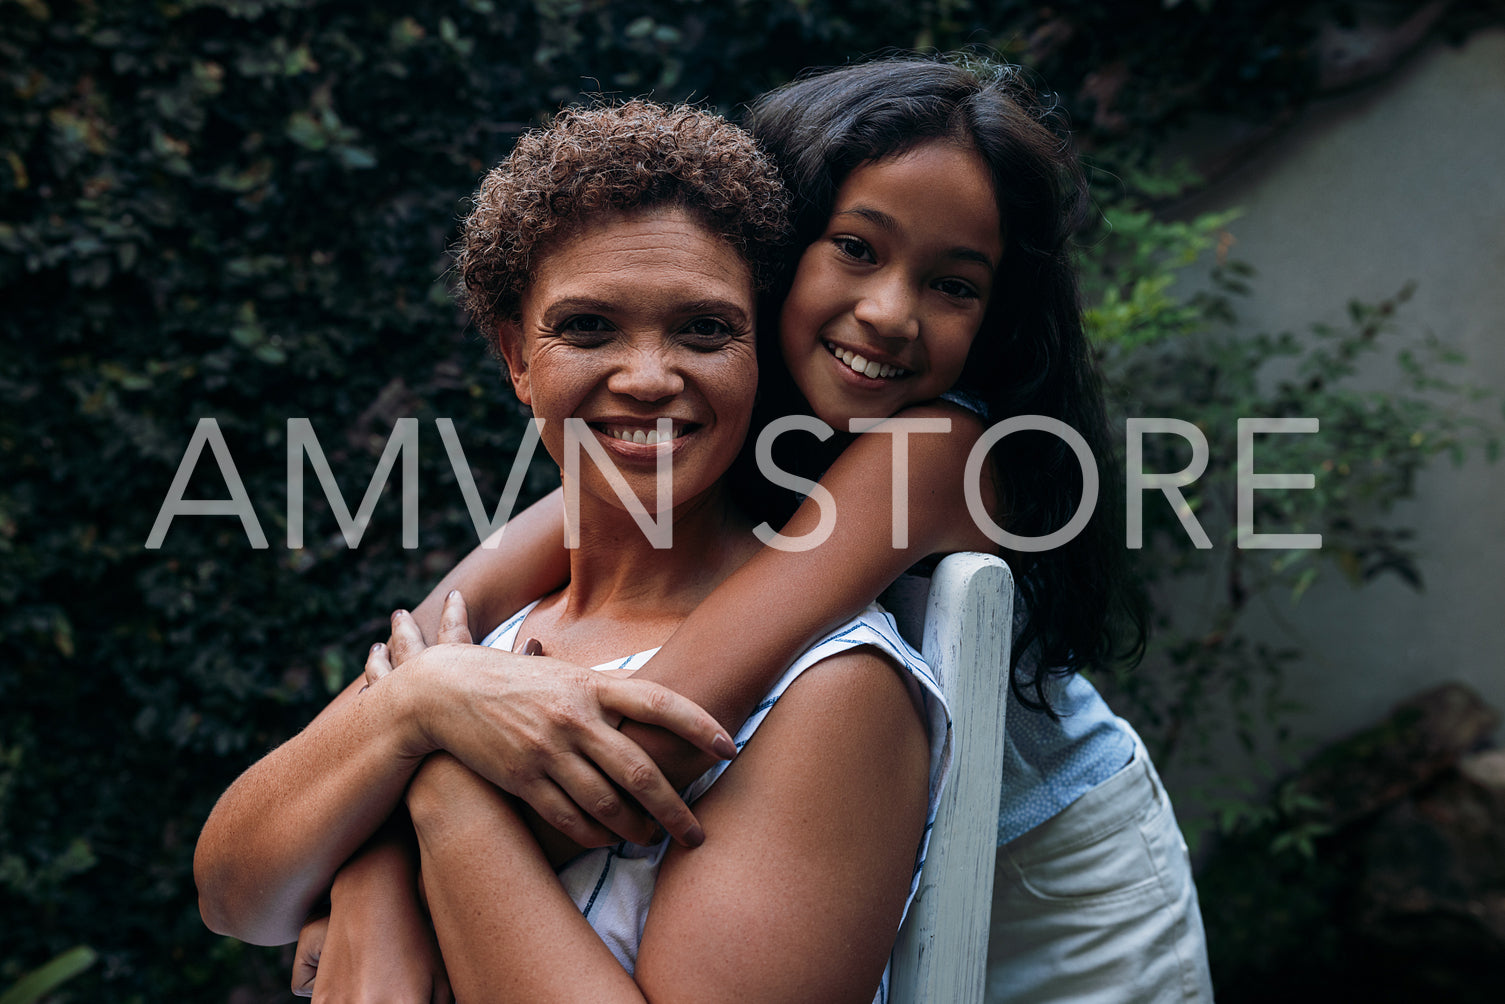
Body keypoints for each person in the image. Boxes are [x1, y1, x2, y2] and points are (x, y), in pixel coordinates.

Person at [330, 55, 1214, 1002]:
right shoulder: (710, 414)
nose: (889, 315)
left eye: (954, 286)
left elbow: (652, 742)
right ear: (775, 244)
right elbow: (410, 659)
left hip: (1061, 898)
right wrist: (396, 748)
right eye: (857, 249)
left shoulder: (938, 448)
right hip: (879, 887)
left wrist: (381, 864)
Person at [194, 99, 950, 1004]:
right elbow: (235, 897)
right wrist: (422, 703)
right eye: (587, 327)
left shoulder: (832, 689)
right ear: (516, 358)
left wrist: (435, 794)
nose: (645, 378)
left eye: (705, 330)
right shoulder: (482, 638)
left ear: (759, 353)